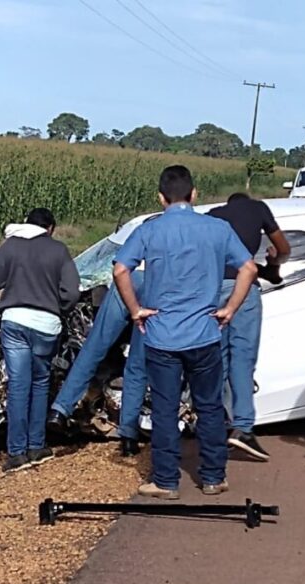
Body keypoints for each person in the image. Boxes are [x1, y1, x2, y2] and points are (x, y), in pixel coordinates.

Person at [113, 165, 257, 499]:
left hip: (162, 335)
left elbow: (121, 269)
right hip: (205, 332)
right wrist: (230, 308)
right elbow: (249, 268)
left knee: (164, 408)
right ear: (194, 195)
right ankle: (212, 476)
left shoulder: (150, 230)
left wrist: (136, 310)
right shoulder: (218, 228)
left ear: (160, 197)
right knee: (208, 405)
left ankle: (165, 480)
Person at [0, 208, 81, 472]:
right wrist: (59, 308)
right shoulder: (59, 250)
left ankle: (16, 453)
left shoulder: (11, 245)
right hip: (46, 325)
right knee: (40, 383)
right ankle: (37, 447)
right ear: (50, 228)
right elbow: (72, 292)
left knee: (18, 385)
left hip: (14, 320)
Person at [206, 192, 290, 461]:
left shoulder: (212, 216)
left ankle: (217, 424)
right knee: (242, 357)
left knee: (217, 358)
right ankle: (242, 427)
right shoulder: (258, 208)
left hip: (213, 288)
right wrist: (274, 259)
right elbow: (284, 249)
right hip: (244, 289)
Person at [46, 271, 148, 457]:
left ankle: (60, 409)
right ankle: (128, 437)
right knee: (137, 365)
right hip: (157, 285)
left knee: (93, 346)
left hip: (129, 279)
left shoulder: (141, 239)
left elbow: (120, 267)